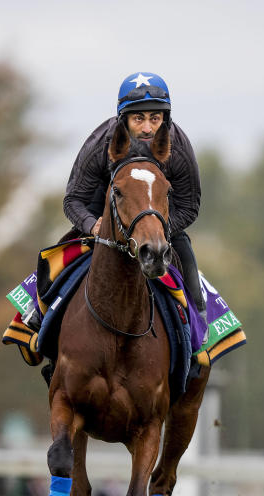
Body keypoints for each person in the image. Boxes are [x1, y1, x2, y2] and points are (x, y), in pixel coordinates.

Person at [62, 71, 206, 316]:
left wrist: (157, 228)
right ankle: (36, 316)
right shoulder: (100, 143)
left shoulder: (178, 148)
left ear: (165, 119)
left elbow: (189, 206)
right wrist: (91, 225)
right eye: (138, 118)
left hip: (159, 217)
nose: (148, 127)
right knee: (53, 270)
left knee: (192, 277)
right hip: (105, 213)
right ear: (124, 119)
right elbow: (73, 199)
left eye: (155, 118)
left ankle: (202, 320)